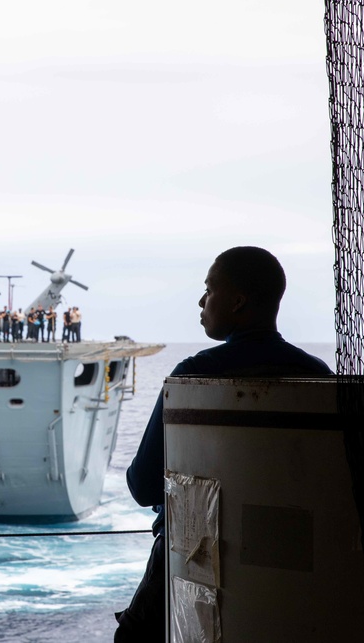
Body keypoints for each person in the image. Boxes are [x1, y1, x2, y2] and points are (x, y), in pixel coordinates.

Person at [114, 246, 332, 641]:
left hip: (197, 559)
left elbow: (142, 486)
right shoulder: (318, 374)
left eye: (210, 289)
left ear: (237, 301)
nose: (202, 301)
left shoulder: (194, 373)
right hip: (293, 564)